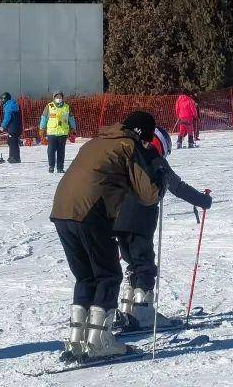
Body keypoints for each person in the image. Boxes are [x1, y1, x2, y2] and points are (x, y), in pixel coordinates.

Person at [51, 111, 160, 361]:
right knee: (108, 274)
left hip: (61, 209)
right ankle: (100, 341)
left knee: (86, 276)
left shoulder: (97, 140)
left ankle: (77, 340)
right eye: (148, 138)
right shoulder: (128, 145)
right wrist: (159, 180)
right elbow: (148, 194)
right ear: (142, 133)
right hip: (90, 211)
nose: (147, 144)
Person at [115, 127, 212, 332]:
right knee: (144, 264)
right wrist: (202, 200)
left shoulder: (127, 155)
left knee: (132, 262)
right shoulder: (155, 159)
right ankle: (143, 313)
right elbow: (178, 187)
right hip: (140, 219)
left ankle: (127, 306)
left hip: (117, 220)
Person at [40, 92, 76, 174]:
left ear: (62, 97)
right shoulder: (49, 106)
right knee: (51, 150)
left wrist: (73, 129)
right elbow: (44, 118)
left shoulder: (67, 107)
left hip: (63, 133)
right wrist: (42, 129)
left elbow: (71, 118)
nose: (59, 98)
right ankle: (51, 166)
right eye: (57, 96)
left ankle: (60, 168)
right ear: (54, 98)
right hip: (52, 133)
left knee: (61, 151)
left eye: (60, 96)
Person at [0, 93, 22, 164]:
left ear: (5, 99)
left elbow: (7, 118)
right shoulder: (14, 104)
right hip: (18, 127)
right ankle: (13, 157)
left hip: (13, 127)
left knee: (12, 142)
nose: (2, 101)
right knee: (12, 141)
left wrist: (3, 126)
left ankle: (15, 158)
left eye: (2, 99)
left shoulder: (8, 106)